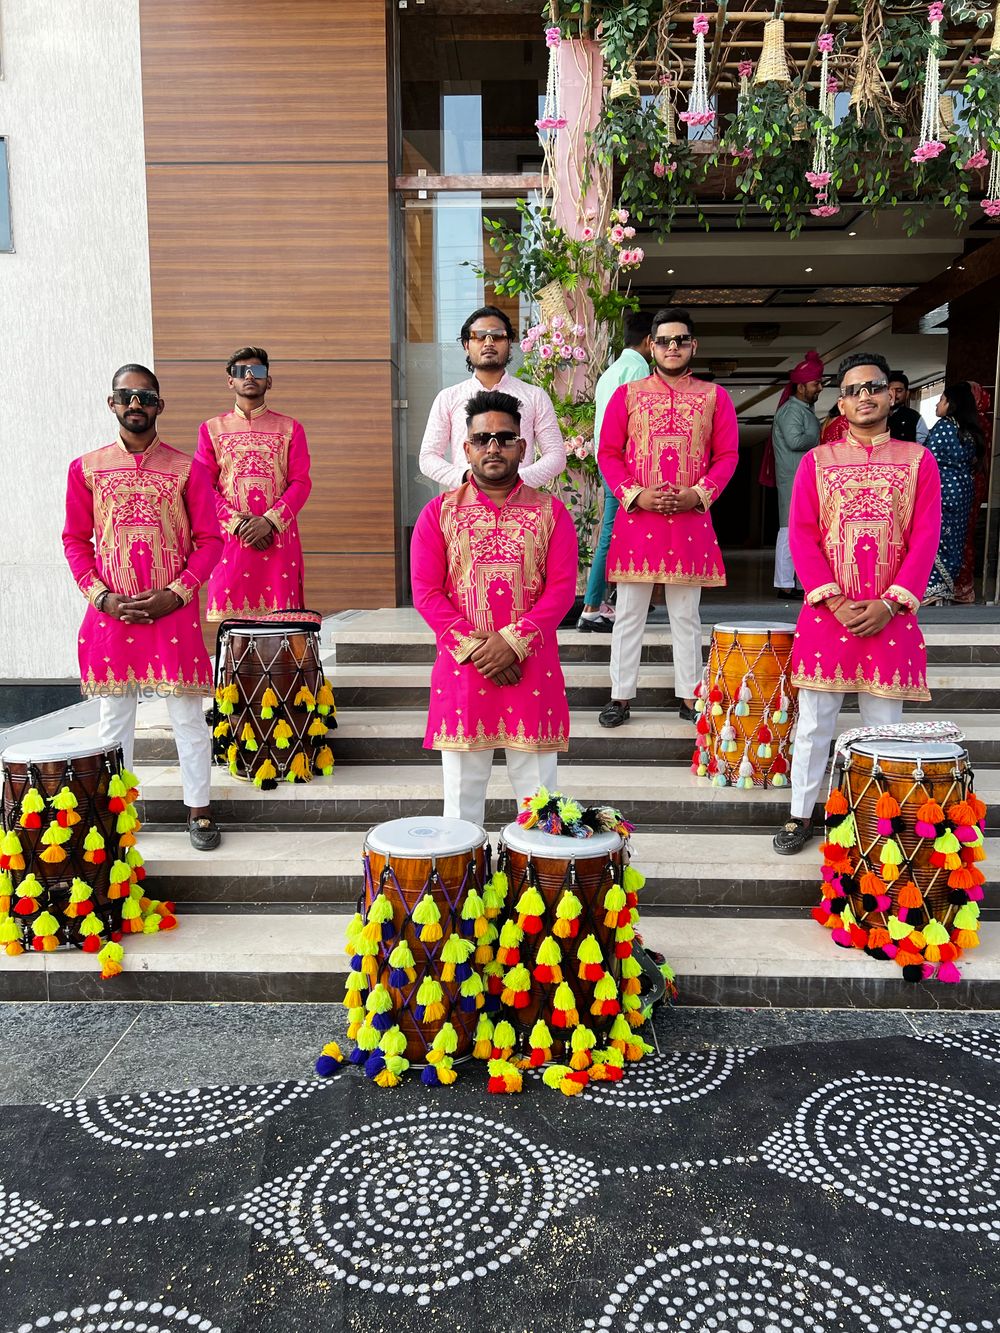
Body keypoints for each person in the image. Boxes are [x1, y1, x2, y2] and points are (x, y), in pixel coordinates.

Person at [773, 353, 941, 855]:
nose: (864, 396)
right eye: (852, 390)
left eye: (872, 387)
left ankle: (878, 820)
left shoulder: (918, 461)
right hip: (829, 614)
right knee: (814, 722)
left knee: (885, 728)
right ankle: (802, 814)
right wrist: (833, 598)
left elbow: (925, 536)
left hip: (890, 616)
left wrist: (891, 604)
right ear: (840, 403)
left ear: (892, 394)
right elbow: (803, 536)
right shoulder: (816, 462)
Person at [63, 365, 224, 850]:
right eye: (126, 396)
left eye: (146, 396)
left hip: (171, 611)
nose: (136, 404)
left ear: (159, 405)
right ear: (112, 403)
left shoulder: (186, 468)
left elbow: (209, 540)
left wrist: (176, 593)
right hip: (112, 613)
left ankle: (198, 811)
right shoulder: (86, 468)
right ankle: (117, 816)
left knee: (187, 718)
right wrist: (103, 596)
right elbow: (74, 539)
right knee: (114, 721)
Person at [411, 389, 577, 825]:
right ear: (465, 448)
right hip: (464, 669)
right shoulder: (438, 514)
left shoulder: (551, 513)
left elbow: (561, 589)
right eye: (482, 439)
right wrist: (481, 649)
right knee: (462, 801)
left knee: (540, 800)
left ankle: (542, 886)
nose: (493, 447)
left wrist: (513, 643)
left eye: (504, 438)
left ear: (523, 448)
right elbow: (426, 592)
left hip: (532, 667)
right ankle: (464, 891)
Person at [596, 307, 739, 727]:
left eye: (680, 340)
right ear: (651, 346)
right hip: (639, 518)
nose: (672, 347)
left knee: (686, 614)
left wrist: (699, 493)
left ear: (693, 345)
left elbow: (727, 455)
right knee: (628, 613)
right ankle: (620, 696)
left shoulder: (714, 397)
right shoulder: (629, 395)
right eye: (664, 340)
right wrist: (635, 495)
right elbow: (609, 453)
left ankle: (690, 695)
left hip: (690, 517)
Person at [194, 347, 312, 622]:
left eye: (257, 371)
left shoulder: (290, 428)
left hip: (278, 540)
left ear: (268, 380)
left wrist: (269, 522)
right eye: (240, 371)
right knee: (235, 632)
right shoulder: (212, 430)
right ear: (230, 381)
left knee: (281, 630)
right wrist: (240, 525)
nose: (249, 376)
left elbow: (301, 483)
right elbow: (203, 488)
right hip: (232, 541)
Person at [419, 306, 566, 491]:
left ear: (509, 344)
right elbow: (428, 457)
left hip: (520, 507)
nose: (488, 343)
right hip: (465, 508)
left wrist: (514, 481)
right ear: (466, 345)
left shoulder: (534, 396)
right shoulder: (448, 398)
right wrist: (466, 478)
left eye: (497, 336)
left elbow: (556, 456)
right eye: (479, 336)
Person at [577, 309, 652, 633]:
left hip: (609, 461)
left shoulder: (611, 371)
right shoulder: (639, 367)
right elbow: (640, 422)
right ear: (651, 340)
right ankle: (594, 607)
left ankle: (598, 604)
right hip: (626, 465)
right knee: (613, 534)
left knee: (611, 533)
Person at [923, 381, 984, 605]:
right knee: (955, 539)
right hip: (962, 490)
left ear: (952, 403)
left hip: (943, 491)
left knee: (937, 538)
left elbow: (929, 459)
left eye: (941, 400)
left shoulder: (944, 427)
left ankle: (933, 589)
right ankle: (945, 588)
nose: (937, 405)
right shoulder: (967, 430)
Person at [771, 350, 824, 598]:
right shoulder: (793, 411)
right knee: (788, 530)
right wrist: (820, 435)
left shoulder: (802, 409)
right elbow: (795, 440)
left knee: (801, 530)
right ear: (801, 387)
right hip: (793, 478)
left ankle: (798, 582)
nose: (820, 388)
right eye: (816, 384)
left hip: (801, 477)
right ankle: (784, 583)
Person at [888, 371, 929, 444]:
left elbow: (923, 445)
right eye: (891, 391)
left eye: (899, 391)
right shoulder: (877, 414)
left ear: (907, 394)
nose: (894, 394)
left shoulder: (914, 417)